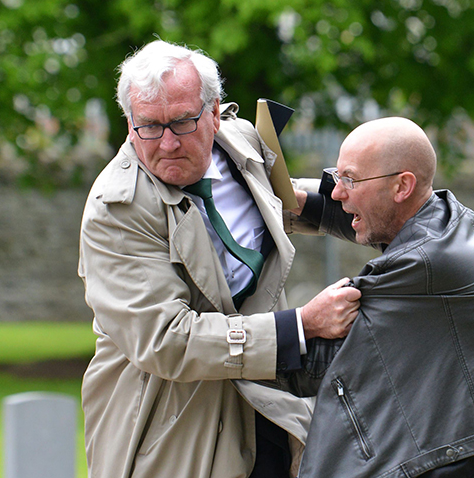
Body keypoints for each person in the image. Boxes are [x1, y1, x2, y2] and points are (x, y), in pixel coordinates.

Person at [77, 40, 360, 478]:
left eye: (182, 122)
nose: (167, 143)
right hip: (173, 424)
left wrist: (381, 210)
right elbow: (168, 341)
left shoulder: (239, 140)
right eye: (148, 126)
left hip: (269, 408)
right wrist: (301, 327)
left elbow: (285, 198)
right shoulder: (116, 209)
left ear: (214, 114)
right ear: (130, 124)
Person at [283, 117, 474, 477]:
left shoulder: (421, 262)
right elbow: (377, 221)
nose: (338, 193)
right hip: (467, 451)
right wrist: (299, 201)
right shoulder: (449, 222)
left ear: (403, 185)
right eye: (337, 178)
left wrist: (222, 339)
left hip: (455, 463)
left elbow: (319, 359)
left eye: (350, 180)